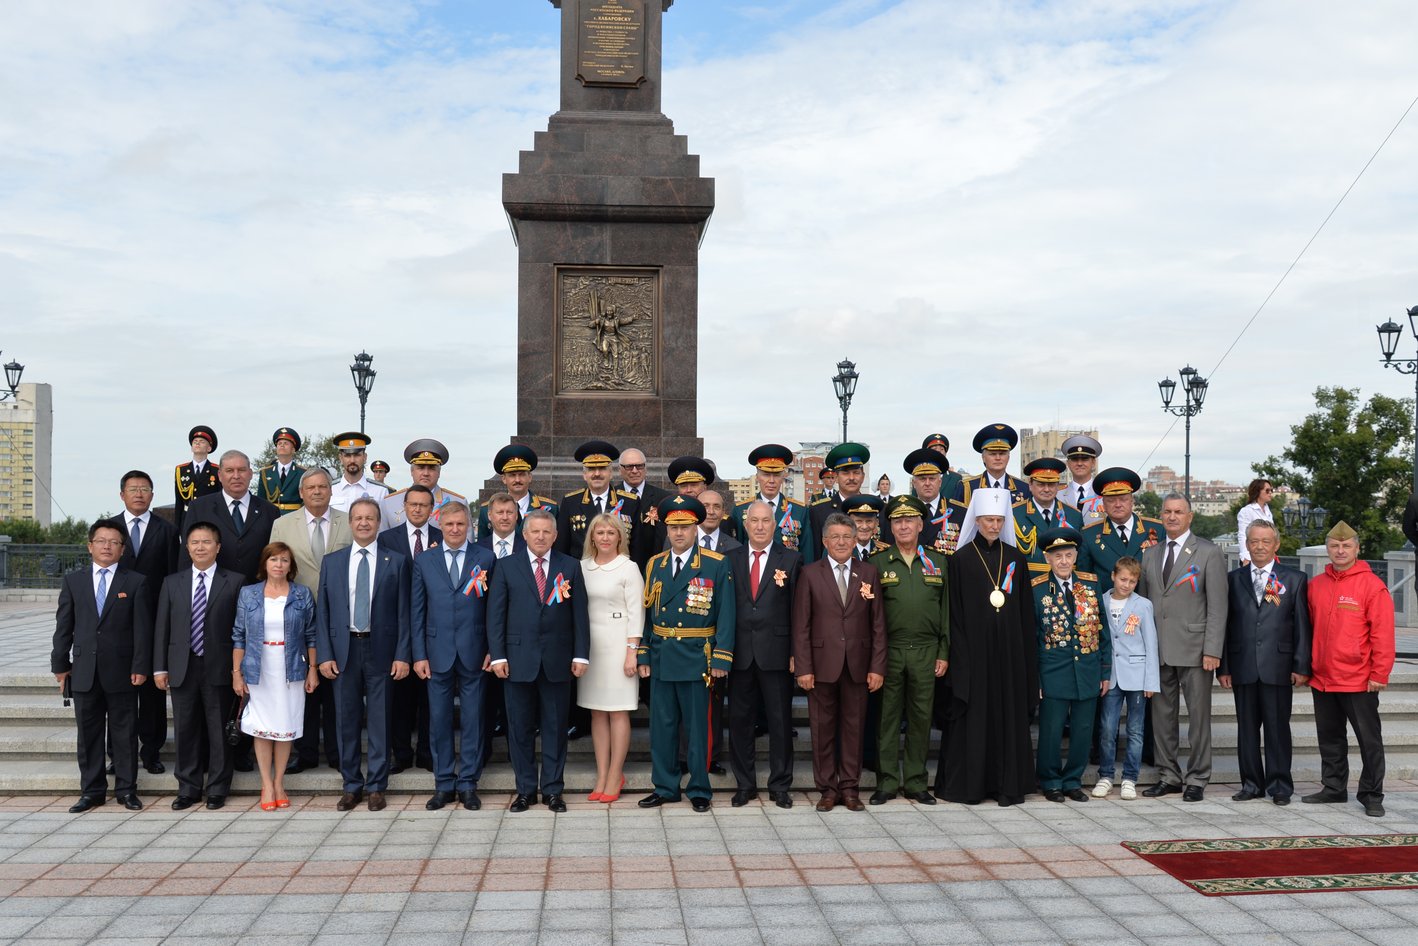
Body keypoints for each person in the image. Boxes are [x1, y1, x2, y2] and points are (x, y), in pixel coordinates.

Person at [935, 489, 1037, 806]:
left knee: (1007, 717)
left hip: (1008, 657)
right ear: (977, 521)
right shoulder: (961, 560)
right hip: (974, 656)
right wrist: (960, 655)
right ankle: (971, 787)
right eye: (988, 520)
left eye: (998, 520)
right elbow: (954, 612)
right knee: (974, 719)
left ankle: (1007, 785)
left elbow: (1024, 614)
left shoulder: (1016, 559)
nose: (994, 525)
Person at [636, 495, 735, 812]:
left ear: (695, 528)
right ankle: (665, 786)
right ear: (666, 528)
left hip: (697, 657)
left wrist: (722, 657)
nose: (679, 533)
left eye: (685, 526)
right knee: (662, 727)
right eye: (673, 526)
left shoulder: (715, 564)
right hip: (663, 656)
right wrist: (643, 653)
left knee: (697, 728)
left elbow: (727, 614)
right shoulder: (655, 564)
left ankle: (699, 788)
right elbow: (648, 616)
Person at [488, 509, 591, 812]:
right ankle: (525, 790)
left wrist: (580, 654)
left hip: (558, 661)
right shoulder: (506, 567)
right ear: (525, 534)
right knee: (519, 729)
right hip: (517, 660)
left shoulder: (570, 566)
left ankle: (553, 790)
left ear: (556, 535)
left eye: (547, 532)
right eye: (535, 531)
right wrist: (498, 656)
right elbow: (496, 616)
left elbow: (579, 616)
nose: (541, 536)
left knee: (555, 729)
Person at [315, 498, 411, 812]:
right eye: (358, 518)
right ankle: (351, 785)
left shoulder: (395, 561)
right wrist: (324, 655)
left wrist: (402, 655)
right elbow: (324, 612)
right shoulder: (333, 561)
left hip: (381, 650)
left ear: (378, 522)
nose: (364, 523)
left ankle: (377, 787)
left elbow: (404, 613)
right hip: (344, 650)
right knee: (346, 719)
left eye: (370, 518)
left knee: (381, 719)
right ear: (350, 522)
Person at [51, 519, 152, 813]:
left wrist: (141, 665)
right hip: (83, 671)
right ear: (90, 546)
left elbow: (142, 630)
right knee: (89, 735)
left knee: (124, 733)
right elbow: (63, 627)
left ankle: (126, 790)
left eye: (114, 542)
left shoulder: (135, 581)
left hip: (122, 671)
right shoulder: (74, 581)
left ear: (122, 549)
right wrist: (61, 666)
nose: (107, 546)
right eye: (101, 541)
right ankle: (92, 791)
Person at [792, 512, 885, 812]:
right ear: (824, 541)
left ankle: (850, 788)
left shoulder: (868, 572)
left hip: (858, 664)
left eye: (848, 536)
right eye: (836, 537)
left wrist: (877, 666)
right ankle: (827, 789)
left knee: (854, 729)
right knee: (822, 729)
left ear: (856, 538)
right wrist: (804, 668)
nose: (842, 542)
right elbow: (801, 625)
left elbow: (878, 624)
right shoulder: (810, 573)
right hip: (820, 666)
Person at [1139, 493, 1227, 802]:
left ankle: (1198, 777)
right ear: (1160, 516)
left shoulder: (1208, 552)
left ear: (1190, 517)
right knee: (1162, 718)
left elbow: (1218, 606)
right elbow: (1144, 605)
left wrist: (1213, 649)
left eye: (1179, 512)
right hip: (1159, 650)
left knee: (1198, 718)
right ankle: (1169, 775)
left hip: (1195, 649)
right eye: (1167, 512)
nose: (1172, 517)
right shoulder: (1150, 555)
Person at [1304, 521, 1395, 817]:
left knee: (1369, 739)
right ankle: (1333, 787)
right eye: (1334, 545)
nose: (1340, 551)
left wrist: (1379, 673)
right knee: (1330, 737)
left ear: (1357, 548)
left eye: (1346, 546)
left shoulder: (1372, 586)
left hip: (1358, 679)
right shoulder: (1316, 585)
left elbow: (1383, 633)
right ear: (1327, 549)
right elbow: (1307, 629)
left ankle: (1371, 793)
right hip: (1323, 678)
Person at [410, 501, 495, 812]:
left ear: (469, 526)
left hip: (475, 651)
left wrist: (492, 650)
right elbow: (416, 611)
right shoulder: (425, 560)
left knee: (473, 720)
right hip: (436, 653)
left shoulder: (485, 557)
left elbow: (493, 611)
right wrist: (418, 654)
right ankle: (444, 782)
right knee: (439, 721)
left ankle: (469, 783)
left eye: (461, 524)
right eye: (450, 525)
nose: (456, 530)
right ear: (440, 526)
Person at [153, 521, 244, 810]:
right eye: (195, 542)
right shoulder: (172, 582)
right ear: (187, 547)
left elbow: (242, 630)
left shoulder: (236, 581)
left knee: (219, 730)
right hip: (182, 665)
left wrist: (239, 670)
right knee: (185, 728)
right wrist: (159, 667)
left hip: (220, 666)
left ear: (218, 547)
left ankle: (218, 788)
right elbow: (161, 628)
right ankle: (188, 788)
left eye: (207, 542)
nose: (201, 547)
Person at [1220, 519, 1311, 806]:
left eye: (1265, 541)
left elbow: (1302, 626)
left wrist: (1301, 665)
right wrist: (1224, 666)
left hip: (1278, 665)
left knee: (1277, 728)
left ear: (1276, 545)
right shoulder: (1233, 579)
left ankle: (1280, 785)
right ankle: (1251, 783)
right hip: (1242, 663)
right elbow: (1225, 624)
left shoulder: (1294, 579)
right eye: (1254, 541)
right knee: (1246, 728)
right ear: (1246, 545)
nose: (1259, 546)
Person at [269, 466, 350, 776]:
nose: (317, 491)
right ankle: (303, 753)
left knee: (335, 689)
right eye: (311, 487)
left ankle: (337, 751)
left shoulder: (347, 521)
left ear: (331, 491)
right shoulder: (282, 524)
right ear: (301, 493)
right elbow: (275, 565)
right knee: (302, 686)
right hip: (296, 616)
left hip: (339, 615)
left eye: (322, 486)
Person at [868, 495, 948, 806]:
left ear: (920, 525)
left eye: (909, 520)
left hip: (927, 651)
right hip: (891, 650)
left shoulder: (938, 562)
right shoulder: (877, 563)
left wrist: (944, 651)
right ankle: (887, 782)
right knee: (887, 718)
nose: (903, 525)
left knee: (920, 718)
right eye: (897, 521)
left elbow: (946, 612)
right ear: (890, 526)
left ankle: (915, 782)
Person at [231, 542, 318, 811]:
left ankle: (280, 782)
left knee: (285, 727)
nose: (279, 565)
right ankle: (266, 783)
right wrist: (237, 673)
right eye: (273, 560)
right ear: (264, 564)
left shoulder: (302, 594)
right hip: (259, 667)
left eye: (284, 560)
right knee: (262, 727)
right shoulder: (249, 594)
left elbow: (311, 635)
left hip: (291, 666)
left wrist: (313, 669)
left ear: (291, 566)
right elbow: (238, 635)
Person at [726, 500, 800, 809]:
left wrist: (797, 652)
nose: (759, 526)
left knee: (780, 722)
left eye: (765, 521)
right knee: (741, 722)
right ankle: (745, 784)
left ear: (775, 525)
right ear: (745, 525)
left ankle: (780, 785)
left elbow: (799, 609)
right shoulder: (729, 559)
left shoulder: (793, 559)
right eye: (753, 521)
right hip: (740, 653)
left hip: (777, 652)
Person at [1031, 527, 1109, 803]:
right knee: (1051, 730)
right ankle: (1051, 780)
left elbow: (1103, 632)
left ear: (1076, 555)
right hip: (1053, 671)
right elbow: (1033, 636)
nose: (1064, 561)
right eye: (1057, 556)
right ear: (1047, 558)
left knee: (1083, 729)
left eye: (1068, 554)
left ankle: (1073, 780)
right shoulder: (1038, 588)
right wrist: (1035, 678)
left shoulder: (1090, 584)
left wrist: (1105, 671)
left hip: (1087, 669)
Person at [578, 514, 644, 804]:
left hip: (619, 646)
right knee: (596, 712)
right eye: (599, 532)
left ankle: (616, 773)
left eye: (610, 532)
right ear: (592, 537)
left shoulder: (629, 568)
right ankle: (602, 773)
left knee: (618, 711)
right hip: (592, 647)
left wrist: (632, 651)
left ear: (620, 537)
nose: (605, 537)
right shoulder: (582, 567)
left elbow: (636, 612)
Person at [115, 470, 178, 775]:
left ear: (152, 495)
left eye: (145, 489)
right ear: (122, 494)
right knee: (119, 692)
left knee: (152, 692)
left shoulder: (166, 530)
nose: (139, 494)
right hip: (116, 623)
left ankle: (151, 751)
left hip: (154, 620)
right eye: (133, 489)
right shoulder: (109, 529)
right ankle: (117, 753)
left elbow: (171, 576)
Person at [378, 483, 442, 773]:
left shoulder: (443, 538)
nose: (418, 509)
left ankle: (428, 753)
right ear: (404, 507)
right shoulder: (387, 539)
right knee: (400, 696)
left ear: (432, 509)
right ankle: (401, 752)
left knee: (431, 696)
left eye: (424, 505)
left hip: (435, 626)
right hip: (398, 627)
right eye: (413, 504)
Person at [1092, 556, 1158, 801]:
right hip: (1111, 675)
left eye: (1132, 581)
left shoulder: (1143, 605)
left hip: (1137, 675)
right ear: (1113, 576)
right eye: (1122, 579)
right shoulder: (1101, 601)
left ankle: (1130, 777)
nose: (1126, 584)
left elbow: (1151, 644)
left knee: (1136, 729)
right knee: (1107, 728)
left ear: (1137, 581)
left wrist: (1151, 681)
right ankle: (1106, 775)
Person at [178, 449, 279, 582]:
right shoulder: (199, 507)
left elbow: (277, 553)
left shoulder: (270, 511)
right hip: (212, 591)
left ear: (250, 474)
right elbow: (187, 553)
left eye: (242, 470)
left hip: (256, 592)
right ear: (220, 475)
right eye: (230, 471)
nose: (236, 476)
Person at [1082, 467, 1163, 594]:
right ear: (1103, 503)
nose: (1118, 504)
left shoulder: (1157, 529)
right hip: (1107, 608)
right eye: (1111, 500)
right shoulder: (1089, 535)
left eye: (1123, 499)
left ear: (1132, 501)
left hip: (1147, 607)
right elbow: (1084, 580)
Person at [730, 444, 812, 556]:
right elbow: (737, 552)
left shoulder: (799, 511)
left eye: (776, 475)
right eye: (766, 475)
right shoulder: (740, 510)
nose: (771, 480)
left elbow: (807, 553)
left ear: (783, 477)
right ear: (757, 477)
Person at [381, 438, 467, 531]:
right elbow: (381, 541)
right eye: (421, 468)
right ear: (412, 471)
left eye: (431, 468)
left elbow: (467, 542)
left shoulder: (458, 502)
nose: (426, 473)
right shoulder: (389, 503)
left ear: (439, 472)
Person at [1013, 458, 1085, 566]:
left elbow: (1081, 556)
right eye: (1041, 484)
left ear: (1057, 486)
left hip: (1063, 579)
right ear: (1030, 485)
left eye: (1051, 484)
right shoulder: (1015, 513)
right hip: (1028, 580)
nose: (1046, 489)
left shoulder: (1073, 515)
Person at [808, 443, 872, 564]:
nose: (851, 477)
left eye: (856, 472)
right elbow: (815, 554)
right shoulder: (818, 511)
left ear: (863, 477)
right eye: (846, 473)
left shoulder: (876, 509)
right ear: (836, 477)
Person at [479, 444, 558, 540]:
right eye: (512, 475)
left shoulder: (550, 508)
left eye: (522, 475)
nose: (517, 480)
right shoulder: (486, 510)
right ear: (504, 479)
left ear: (530, 477)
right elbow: (482, 548)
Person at [950, 424, 1032, 507]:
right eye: (992, 454)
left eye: (1002, 454)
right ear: (983, 457)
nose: (998, 458)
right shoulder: (967, 487)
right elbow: (957, 518)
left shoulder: (1023, 488)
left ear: (1008, 457)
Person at [898, 448, 958, 555]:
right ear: (914, 483)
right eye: (922, 479)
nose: (927, 483)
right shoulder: (900, 514)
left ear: (940, 482)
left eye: (932, 478)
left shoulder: (959, 511)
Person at [174, 425, 221, 532]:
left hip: (209, 518)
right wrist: (176, 527)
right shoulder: (180, 470)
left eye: (202, 441)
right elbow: (179, 502)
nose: (197, 443)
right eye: (195, 441)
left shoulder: (216, 470)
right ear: (191, 447)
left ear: (209, 448)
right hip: (187, 517)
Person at [329, 432, 390, 513]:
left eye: (357, 455)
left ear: (365, 457)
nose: (352, 460)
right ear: (340, 458)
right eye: (347, 455)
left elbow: (385, 525)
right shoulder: (330, 490)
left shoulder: (380, 491)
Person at [257, 427, 305, 514]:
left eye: (286, 443)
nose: (282, 445)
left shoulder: (302, 473)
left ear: (293, 449)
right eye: (279, 443)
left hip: (294, 517)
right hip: (271, 517)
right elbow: (260, 500)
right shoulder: (265, 473)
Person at [1060, 434, 1104, 523]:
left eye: (1085, 459)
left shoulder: (1105, 495)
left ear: (1093, 462)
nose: (1079, 463)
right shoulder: (1058, 496)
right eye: (1074, 459)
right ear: (1068, 463)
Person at [1235, 479, 1275, 562]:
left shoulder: (1268, 511)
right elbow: (1243, 535)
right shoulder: (1247, 511)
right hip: (1252, 557)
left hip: (1267, 556)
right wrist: (1245, 558)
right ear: (1258, 492)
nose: (1270, 492)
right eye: (1267, 490)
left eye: (1271, 490)